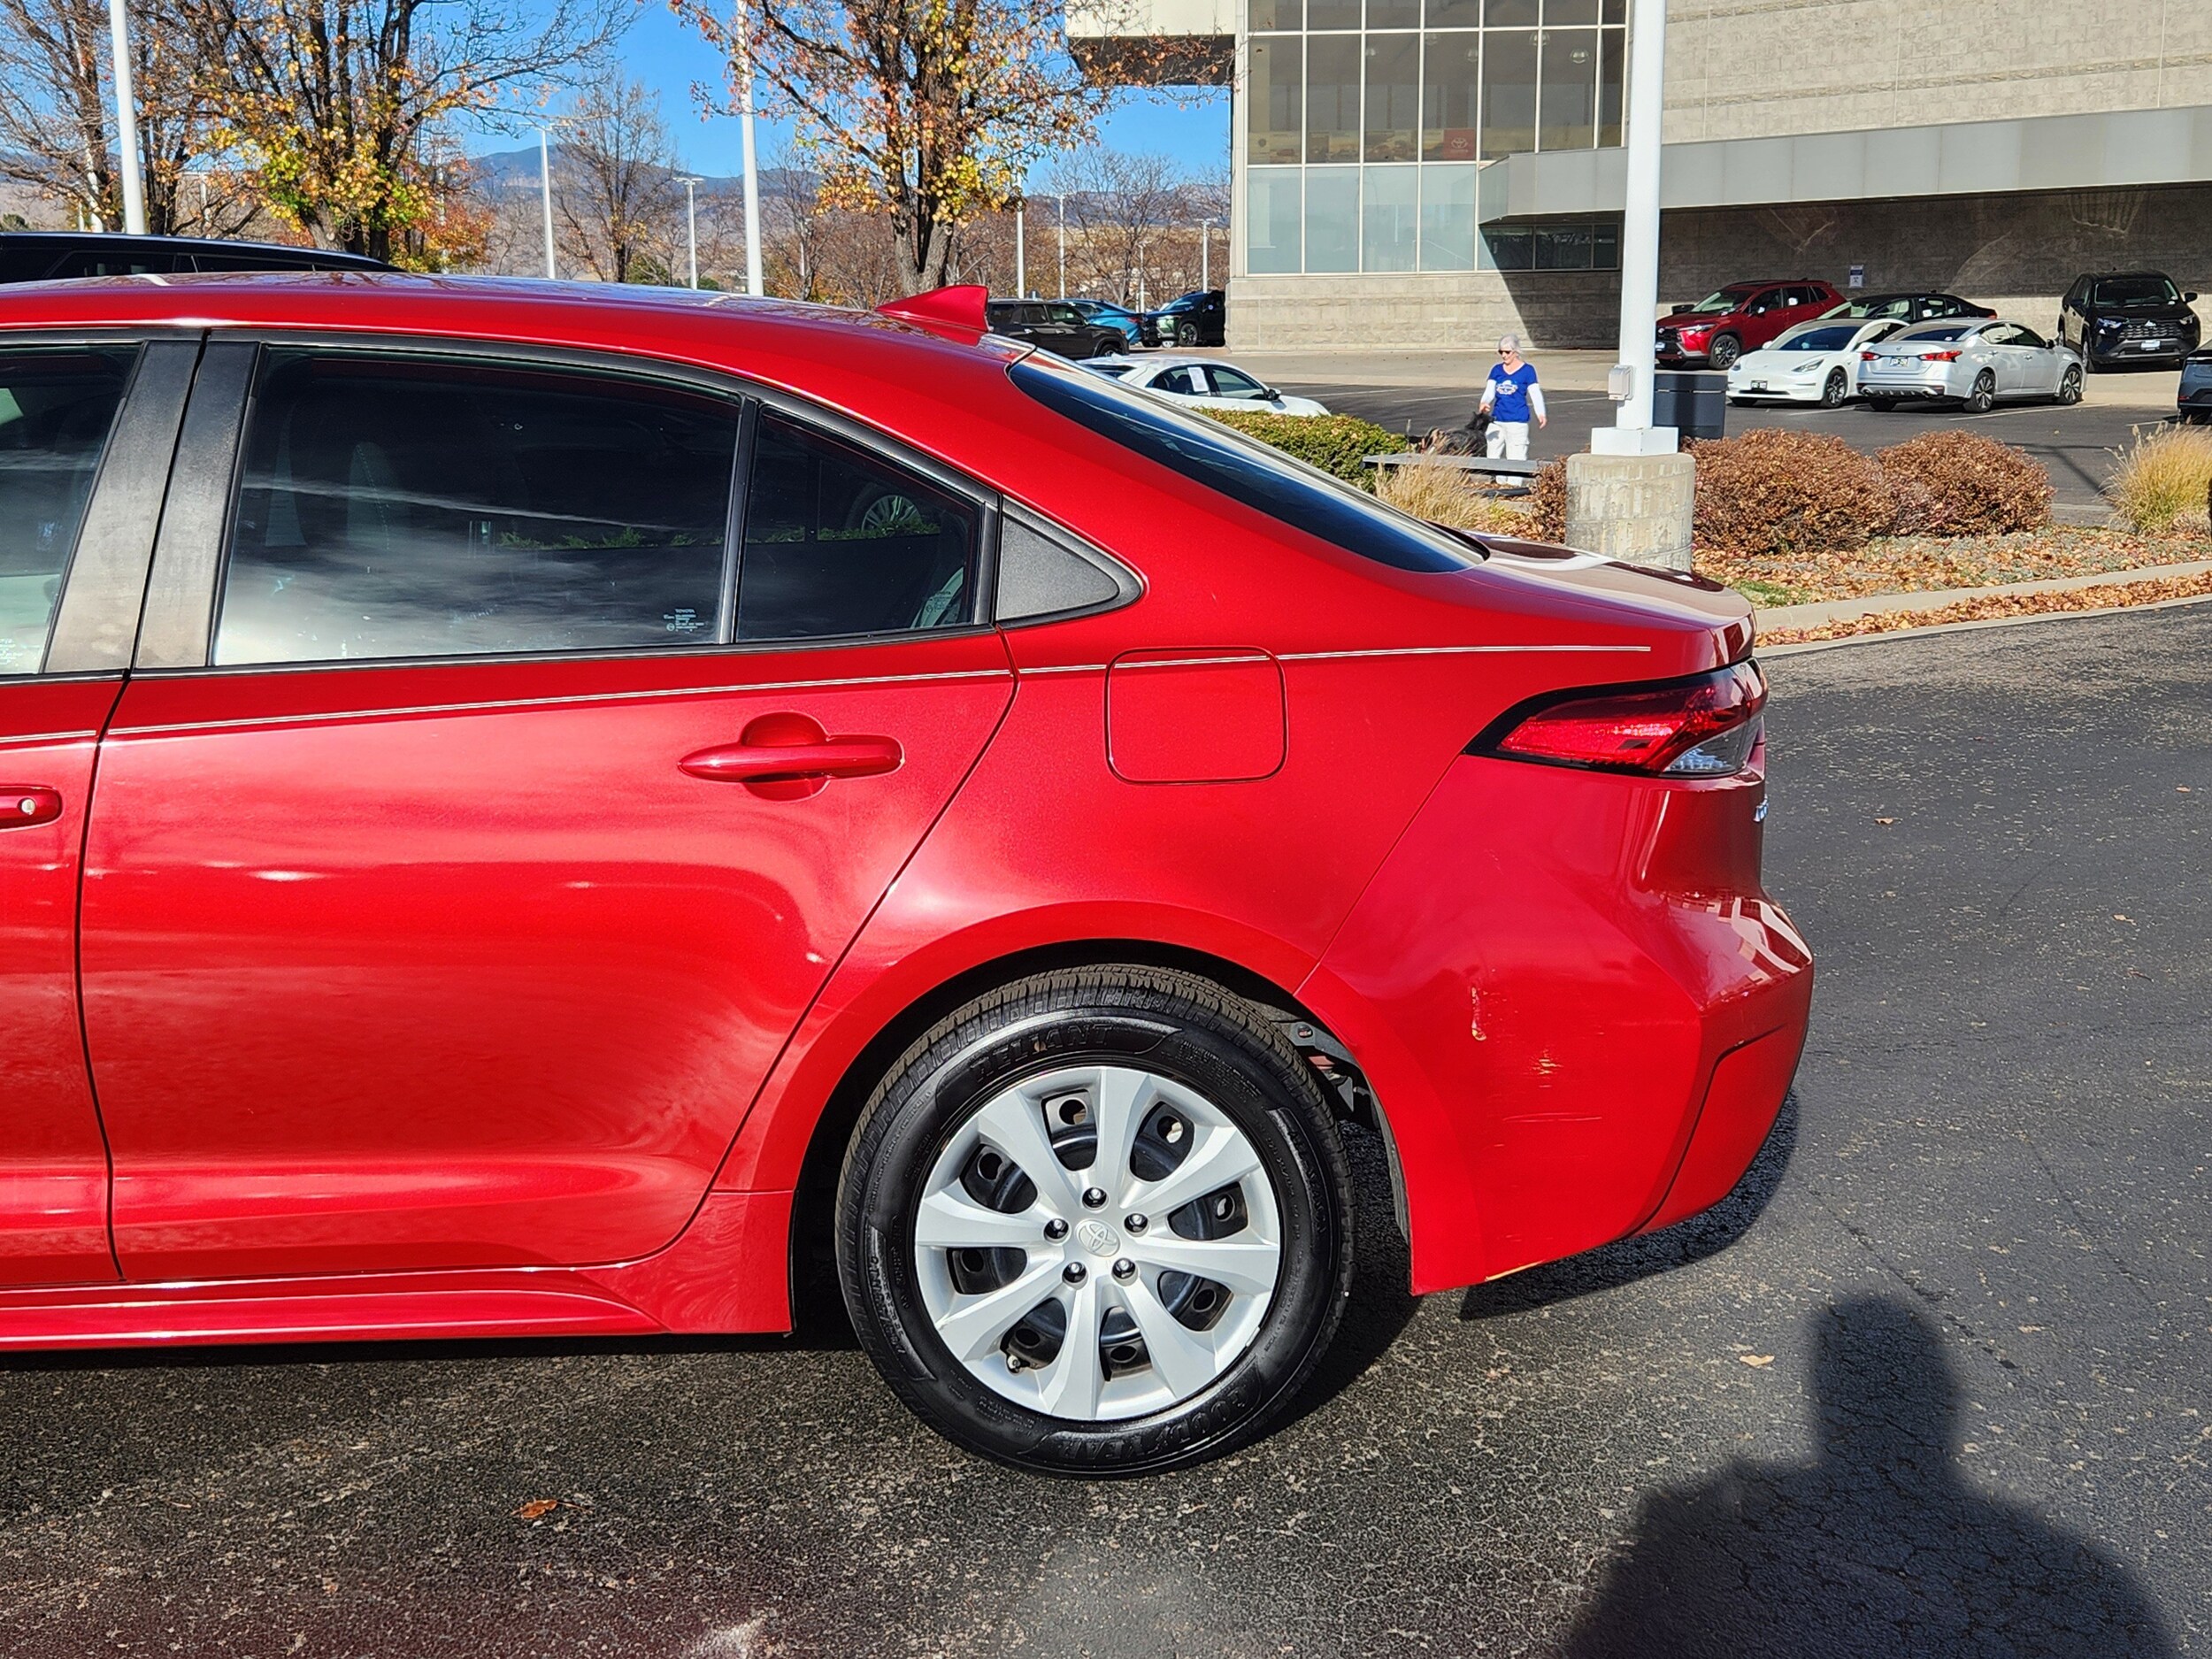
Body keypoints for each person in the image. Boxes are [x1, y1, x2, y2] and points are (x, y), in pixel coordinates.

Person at [1478, 334, 1547, 461]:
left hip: (1517, 421)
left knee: (1516, 457)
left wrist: (1541, 413)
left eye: (1507, 352)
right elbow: (1489, 391)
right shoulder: (1496, 370)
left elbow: (1535, 393)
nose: (1504, 355)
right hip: (1497, 420)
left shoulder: (1528, 370)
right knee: (1492, 456)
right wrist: (1484, 402)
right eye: (1501, 352)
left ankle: (1513, 482)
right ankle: (1498, 481)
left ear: (1516, 352)